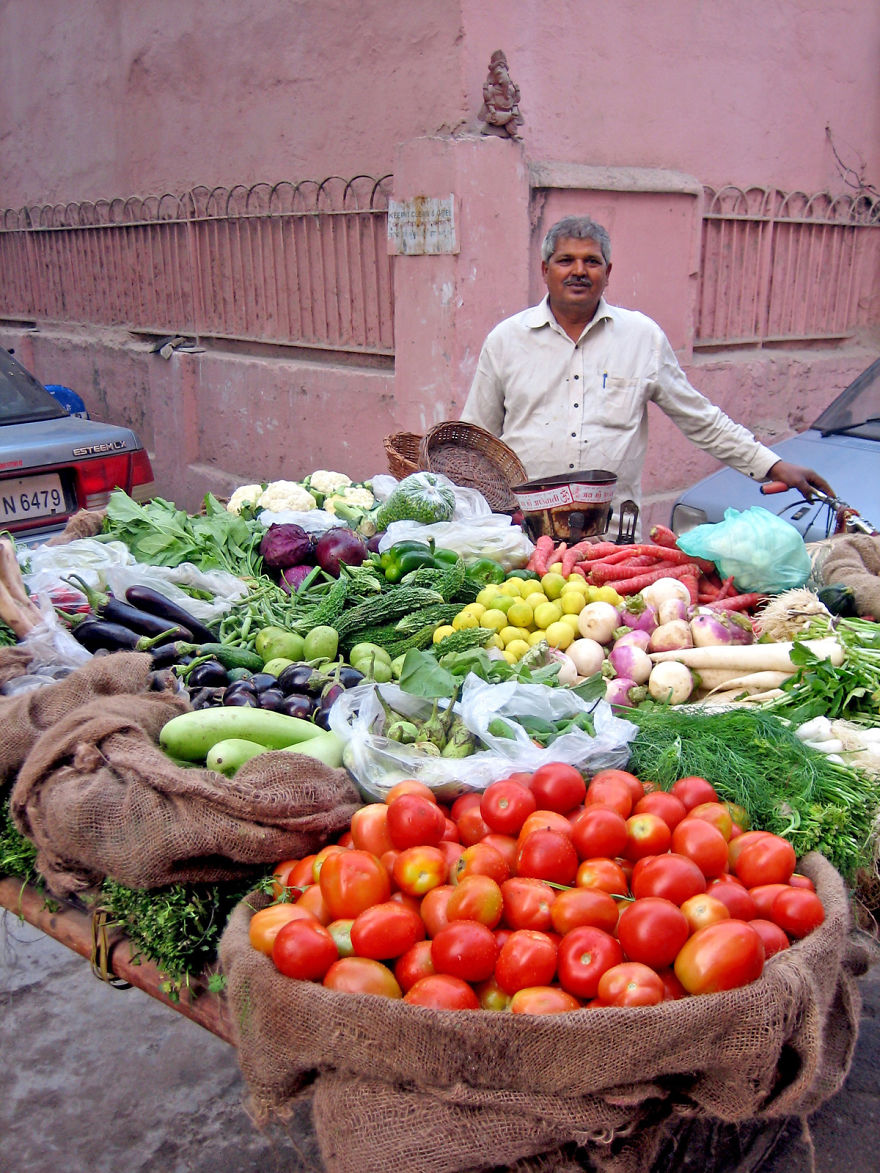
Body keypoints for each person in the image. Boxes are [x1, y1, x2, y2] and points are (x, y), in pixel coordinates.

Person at [460, 215, 833, 523]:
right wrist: (485, 514)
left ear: (608, 272)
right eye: (565, 260)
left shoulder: (642, 338)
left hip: (610, 537)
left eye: (591, 261)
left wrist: (772, 465)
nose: (579, 271)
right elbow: (473, 438)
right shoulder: (507, 339)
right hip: (524, 529)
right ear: (545, 270)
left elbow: (700, 418)